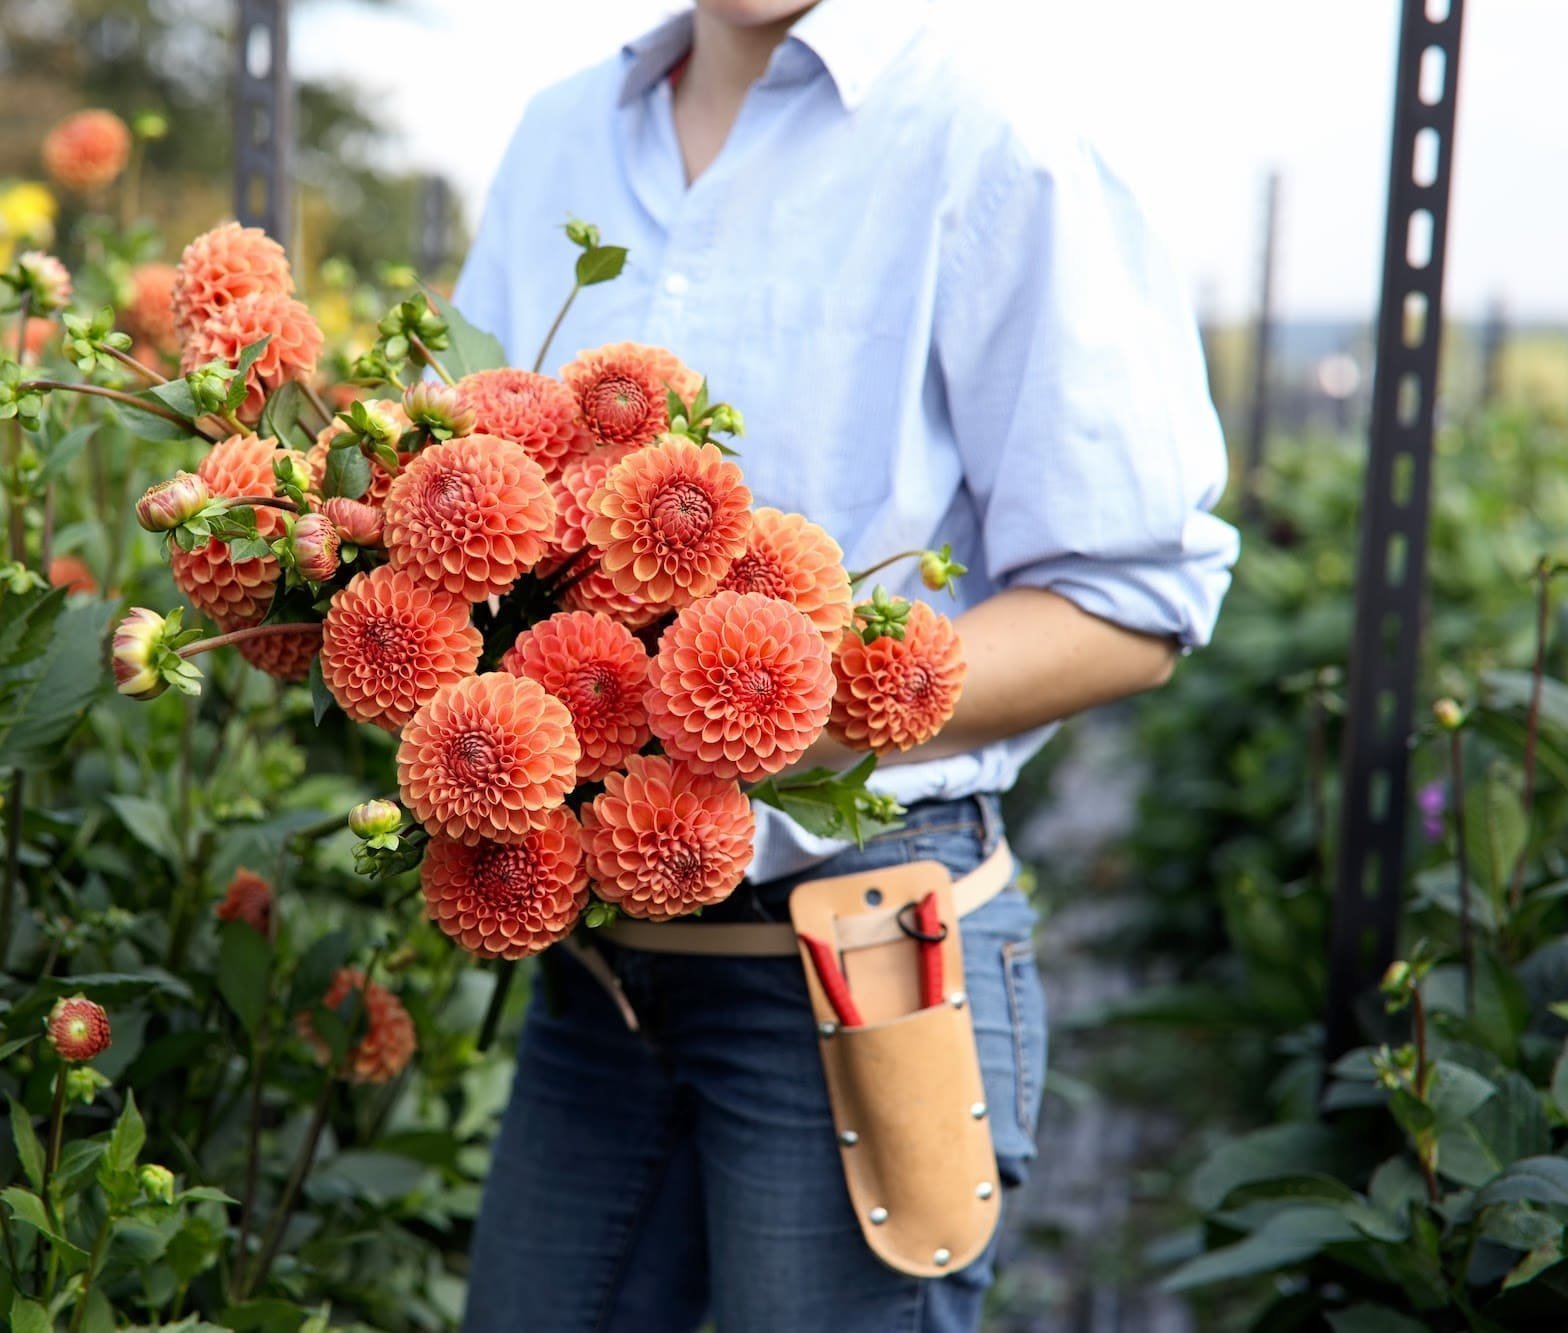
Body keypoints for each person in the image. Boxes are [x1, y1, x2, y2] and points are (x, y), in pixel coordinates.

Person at [452, 2, 1238, 1329]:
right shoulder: (564, 135)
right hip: (596, 971)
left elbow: (1135, 597)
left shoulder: (987, 125)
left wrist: (797, 714)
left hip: (862, 956)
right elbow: (467, 481)